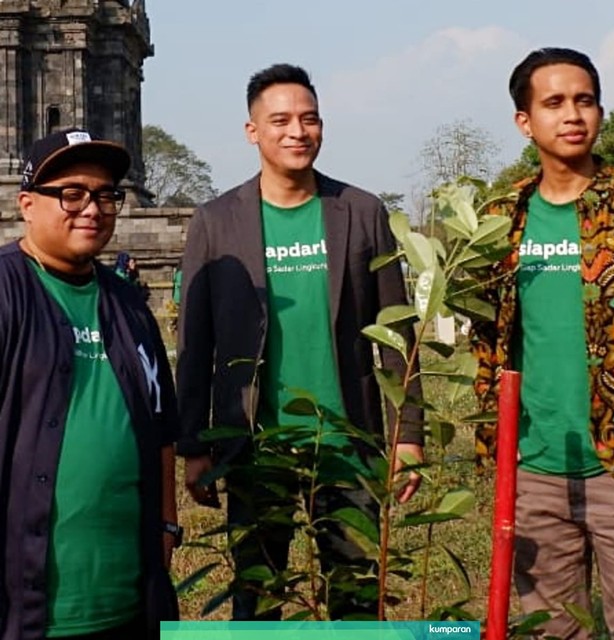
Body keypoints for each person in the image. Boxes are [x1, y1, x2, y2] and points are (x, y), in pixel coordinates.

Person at [176, 63, 424, 620]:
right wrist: (194, 445)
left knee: (357, 599)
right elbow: (196, 343)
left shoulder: (360, 212)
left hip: (347, 444)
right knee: (258, 600)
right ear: (252, 131)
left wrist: (407, 434)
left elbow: (396, 333)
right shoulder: (217, 222)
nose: (297, 132)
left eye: (309, 119)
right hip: (257, 449)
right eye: (281, 120)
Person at [471, 48, 614, 638]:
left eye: (585, 100)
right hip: (534, 465)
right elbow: (485, 338)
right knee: (551, 629)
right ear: (525, 120)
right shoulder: (500, 220)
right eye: (554, 103)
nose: (573, 114)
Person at [0, 127, 181, 639]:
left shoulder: (128, 305)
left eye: (106, 195)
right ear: (28, 204)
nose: (93, 208)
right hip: (29, 602)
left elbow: (162, 426)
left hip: (128, 595)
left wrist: (167, 524)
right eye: (72, 194)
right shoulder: (7, 292)